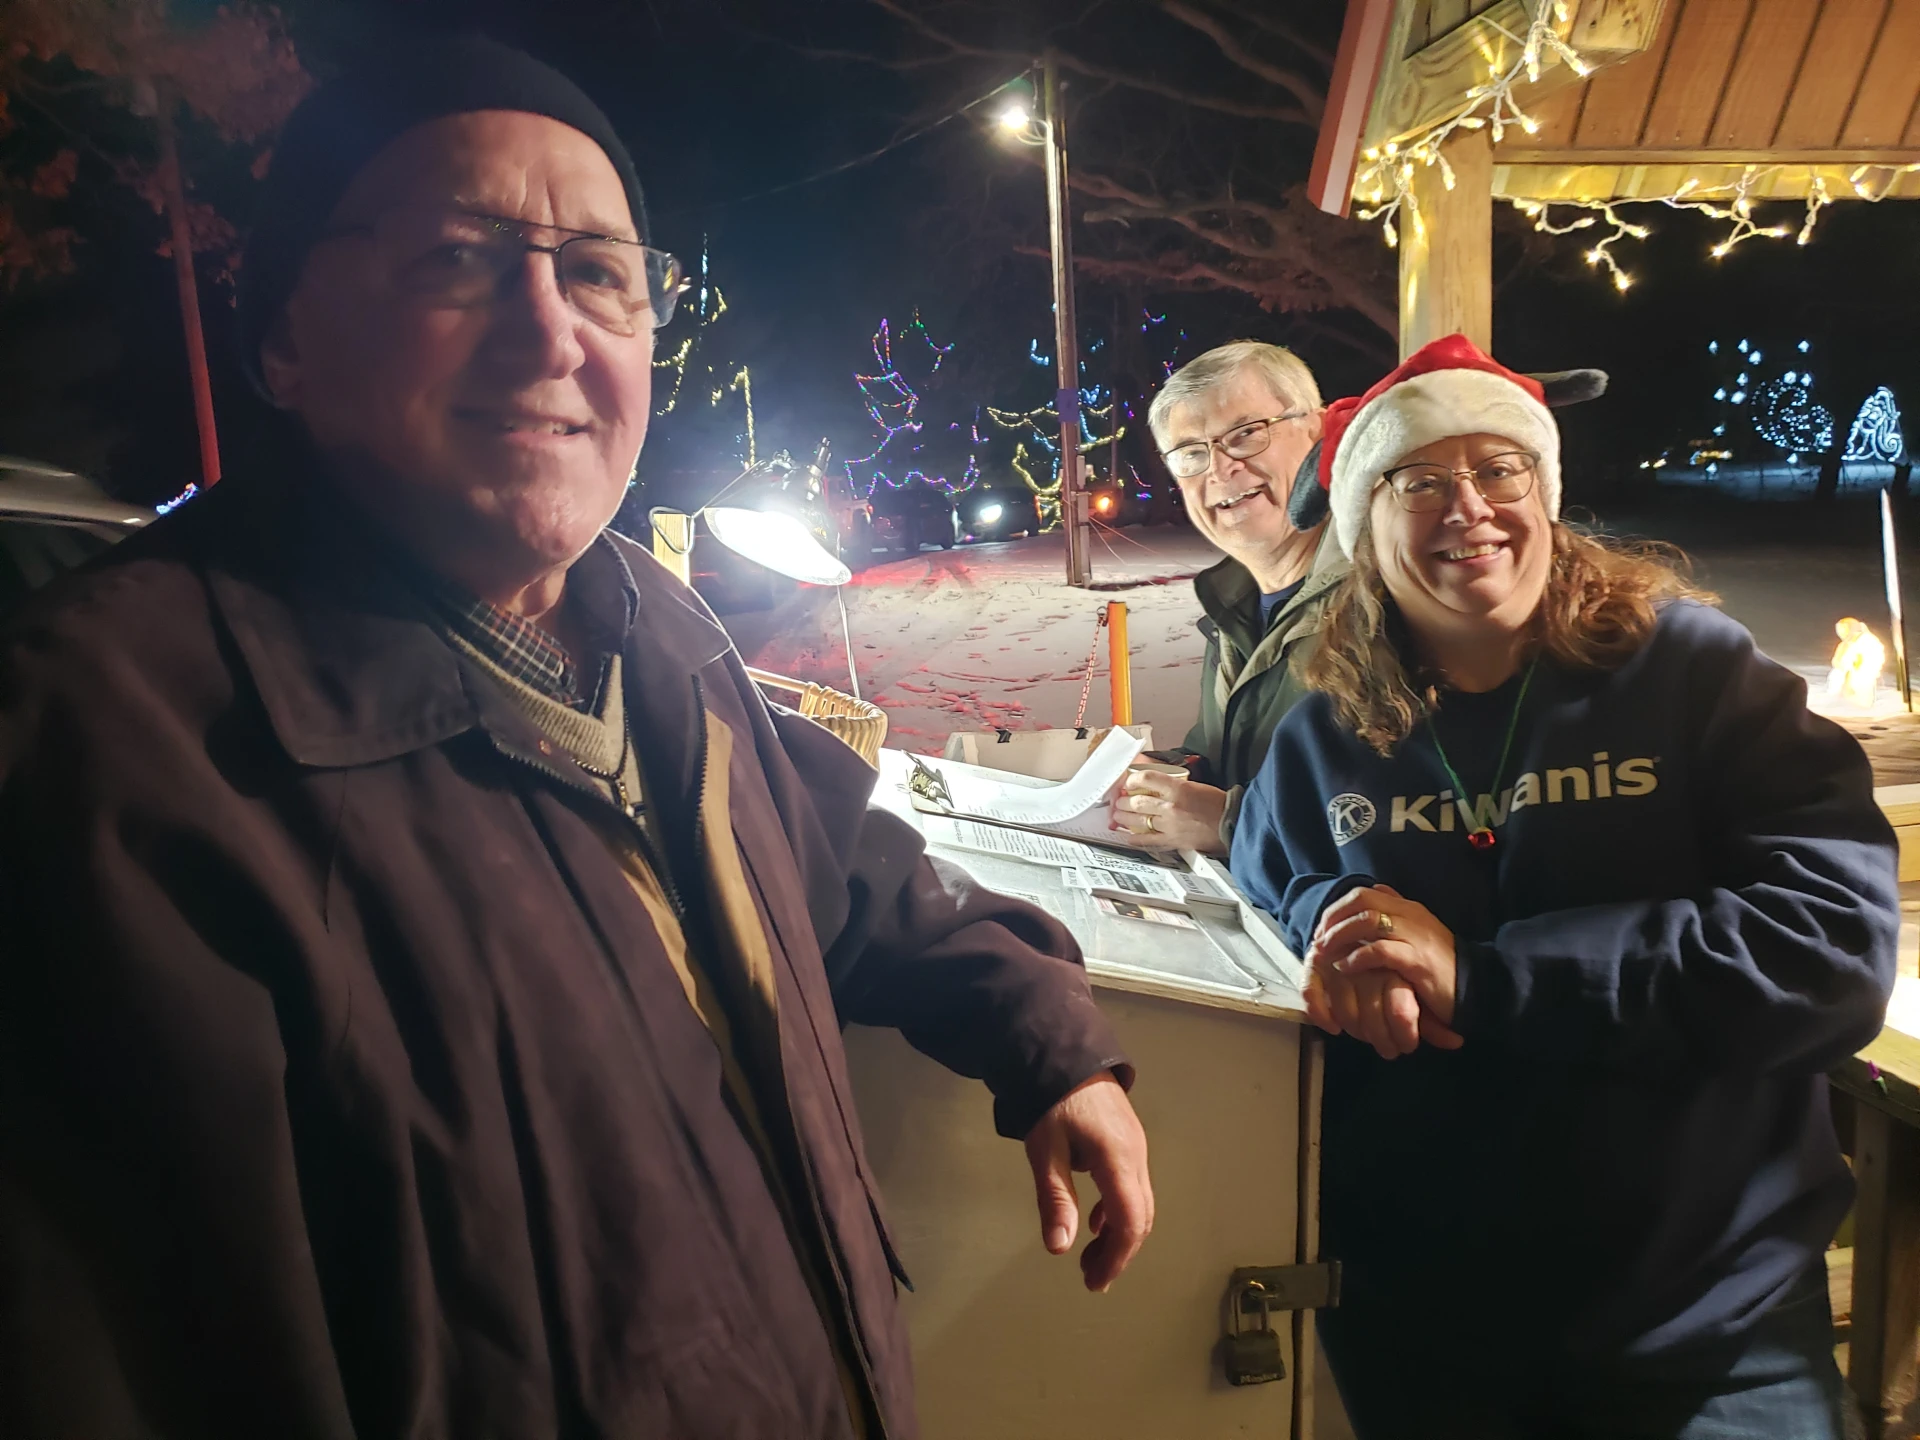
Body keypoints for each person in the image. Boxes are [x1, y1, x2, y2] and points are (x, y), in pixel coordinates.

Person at [0, 38, 1152, 1440]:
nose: (549, 335)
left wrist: (1044, 1034)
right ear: (285, 336)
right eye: (457, 259)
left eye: (600, 272)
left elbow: (841, 872)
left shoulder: (653, 627)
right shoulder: (106, 748)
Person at [1231, 333, 1898, 1438]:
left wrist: (1484, 979)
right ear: (1362, 524)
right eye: (1419, 481)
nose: (1470, 507)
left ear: (1544, 490)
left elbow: (1830, 953)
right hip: (1426, 1335)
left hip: (1713, 1329)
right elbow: (1263, 907)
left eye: (1500, 469)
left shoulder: (1697, 676)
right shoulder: (1320, 740)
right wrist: (1333, 923)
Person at [1112, 341, 1341, 854]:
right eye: (1191, 453)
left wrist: (1230, 823)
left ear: (1319, 430)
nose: (1219, 469)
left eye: (1245, 434)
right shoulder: (1233, 603)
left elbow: (1412, 821)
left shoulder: (1386, 599)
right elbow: (1227, 762)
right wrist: (1167, 774)